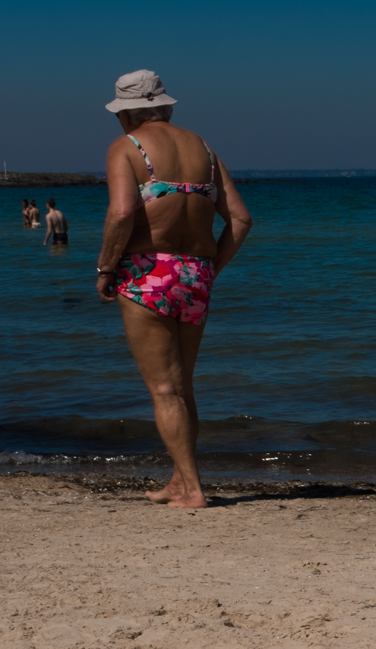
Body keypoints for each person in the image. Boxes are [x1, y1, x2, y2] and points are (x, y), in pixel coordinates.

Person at [93, 69, 253, 510]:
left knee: (164, 390)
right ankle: (179, 482)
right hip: (195, 272)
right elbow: (240, 220)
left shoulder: (127, 148)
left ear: (128, 113)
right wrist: (211, 270)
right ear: (164, 105)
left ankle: (194, 490)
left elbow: (123, 213)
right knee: (183, 387)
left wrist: (106, 267)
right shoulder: (203, 147)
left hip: (148, 270)